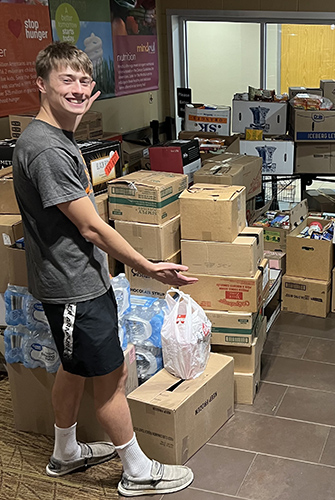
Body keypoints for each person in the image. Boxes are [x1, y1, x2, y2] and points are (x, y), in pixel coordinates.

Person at [12, 41, 198, 497]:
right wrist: (147, 267)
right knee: (111, 379)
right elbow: (92, 228)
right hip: (74, 286)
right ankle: (137, 472)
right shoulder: (47, 151)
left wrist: (74, 108)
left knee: (72, 368)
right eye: (66, 80)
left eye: (85, 81)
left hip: (74, 281)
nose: (78, 89)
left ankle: (66, 453)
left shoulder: (55, 136)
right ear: (40, 84)